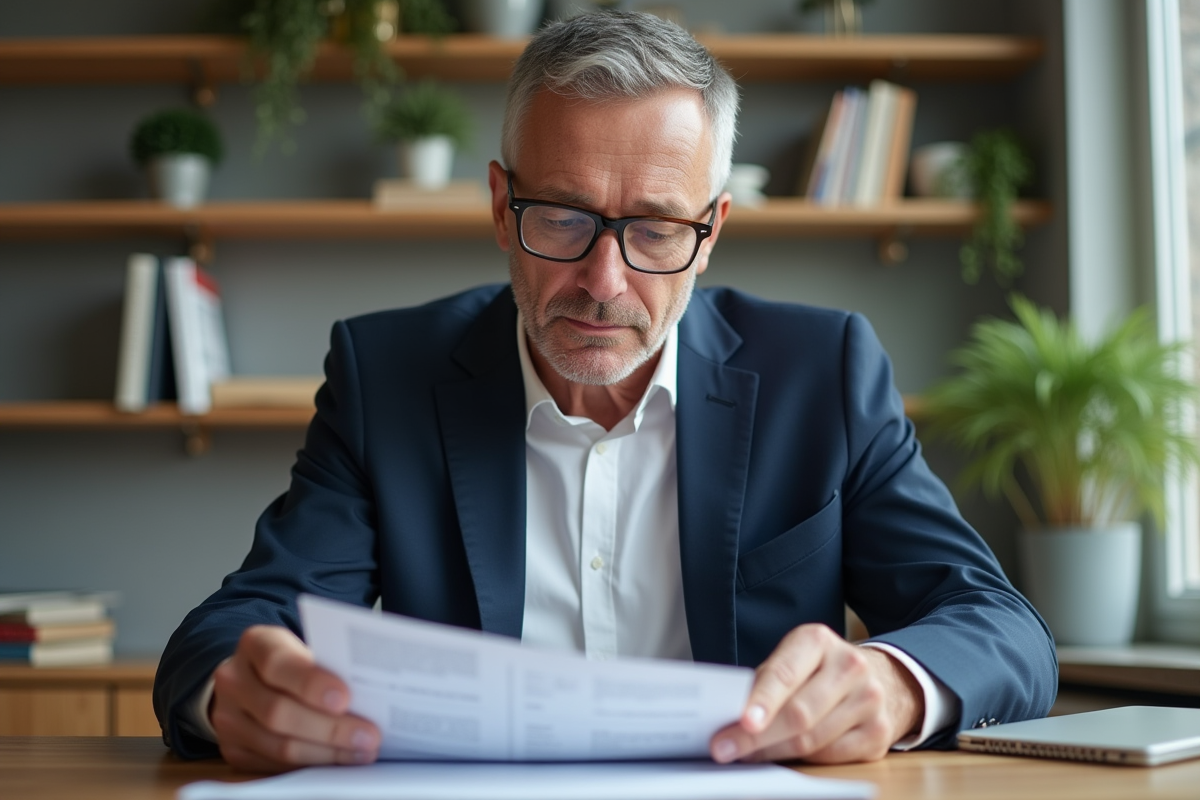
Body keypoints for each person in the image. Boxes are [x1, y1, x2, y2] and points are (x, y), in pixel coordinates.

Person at [153, 11, 1057, 773]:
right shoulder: (387, 375)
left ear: (711, 234)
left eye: (657, 230)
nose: (605, 282)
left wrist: (893, 685)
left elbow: (1002, 629)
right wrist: (237, 689)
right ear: (502, 209)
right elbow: (232, 627)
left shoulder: (821, 373)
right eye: (563, 218)